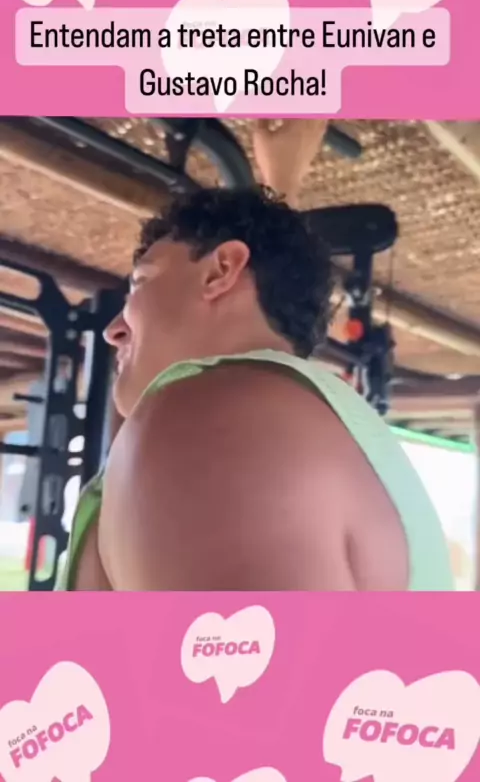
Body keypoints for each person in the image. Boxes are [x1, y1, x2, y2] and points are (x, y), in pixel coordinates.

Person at [59, 120, 453, 591]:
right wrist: (279, 188)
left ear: (220, 271)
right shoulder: (301, 424)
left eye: (140, 283)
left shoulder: (209, 414)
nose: (112, 330)